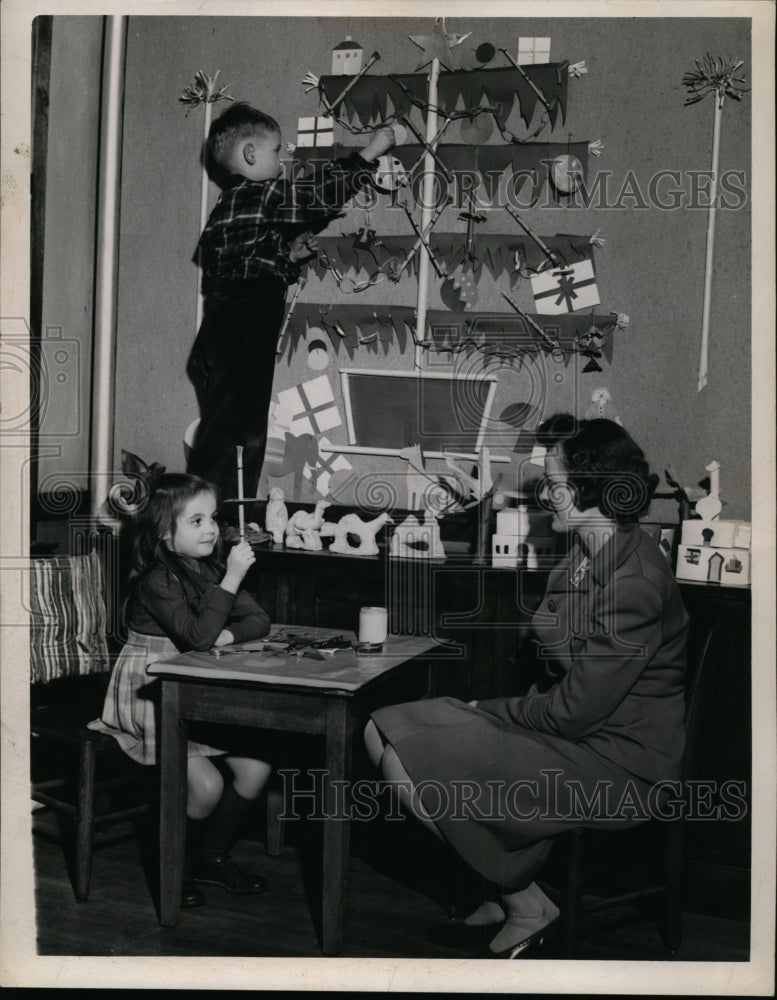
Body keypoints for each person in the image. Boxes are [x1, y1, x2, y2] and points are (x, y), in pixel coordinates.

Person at [364, 414, 690, 958]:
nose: (545, 493)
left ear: (590, 491)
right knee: (381, 729)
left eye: (554, 482)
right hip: (578, 733)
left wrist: (488, 709)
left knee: (401, 754)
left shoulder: (634, 582)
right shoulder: (588, 552)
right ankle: (502, 885)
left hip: (619, 765)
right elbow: (564, 663)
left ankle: (523, 902)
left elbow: (573, 713)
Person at [186, 101, 396, 506]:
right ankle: (205, 514)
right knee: (235, 433)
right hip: (242, 328)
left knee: (236, 428)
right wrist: (368, 155)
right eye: (275, 151)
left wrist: (287, 257)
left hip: (227, 329)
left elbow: (245, 268)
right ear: (250, 154)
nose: (281, 163)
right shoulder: (255, 194)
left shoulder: (234, 206)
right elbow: (315, 197)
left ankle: (219, 514)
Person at [89, 473, 273, 908]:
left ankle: (210, 857)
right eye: (196, 521)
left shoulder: (208, 569)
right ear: (165, 535)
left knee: (256, 769)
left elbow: (259, 620)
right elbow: (197, 637)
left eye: (213, 518)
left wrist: (225, 632)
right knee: (206, 786)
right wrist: (231, 581)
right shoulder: (157, 580)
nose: (212, 529)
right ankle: (177, 866)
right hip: (149, 690)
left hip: (191, 687)